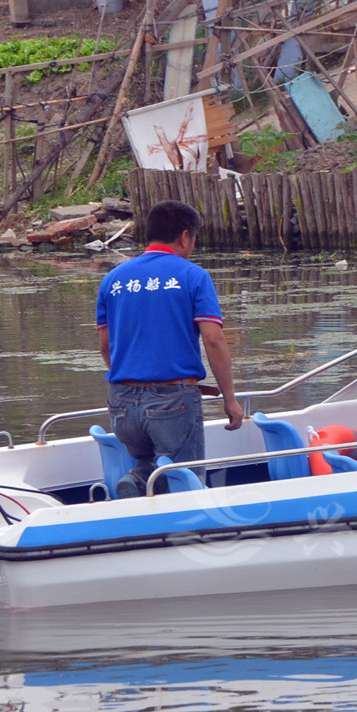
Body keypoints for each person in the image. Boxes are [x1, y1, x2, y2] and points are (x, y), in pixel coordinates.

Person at [96, 201, 244, 497]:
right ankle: (179, 528)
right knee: (185, 483)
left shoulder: (112, 280)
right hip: (172, 401)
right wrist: (230, 398)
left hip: (122, 403)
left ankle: (139, 479)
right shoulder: (193, 276)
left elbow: (105, 347)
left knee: (149, 463)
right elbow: (213, 340)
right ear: (185, 236)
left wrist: (134, 381)